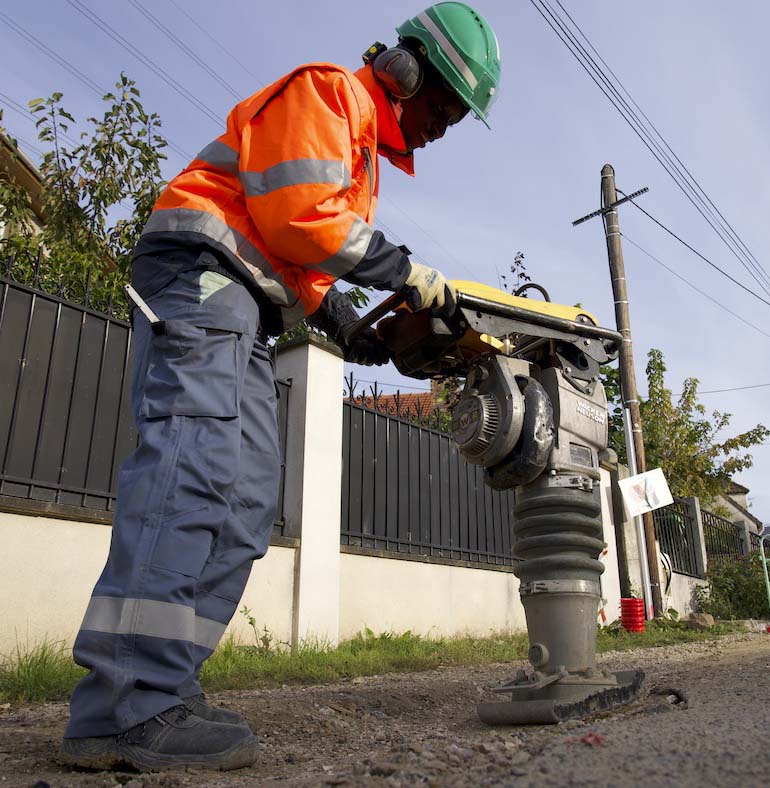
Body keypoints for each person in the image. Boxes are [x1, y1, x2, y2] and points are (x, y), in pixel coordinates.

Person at [60, 2, 500, 772]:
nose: (441, 129)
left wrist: (351, 325)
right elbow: (298, 214)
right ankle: (122, 706)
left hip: (250, 298)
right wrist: (405, 271)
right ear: (405, 71)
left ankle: (166, 687)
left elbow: (298, 252)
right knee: (192, 468)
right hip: (201, 272)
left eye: (456, 120)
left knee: (247, 500)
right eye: (443, 107)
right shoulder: (330, 94)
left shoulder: (360, 154)